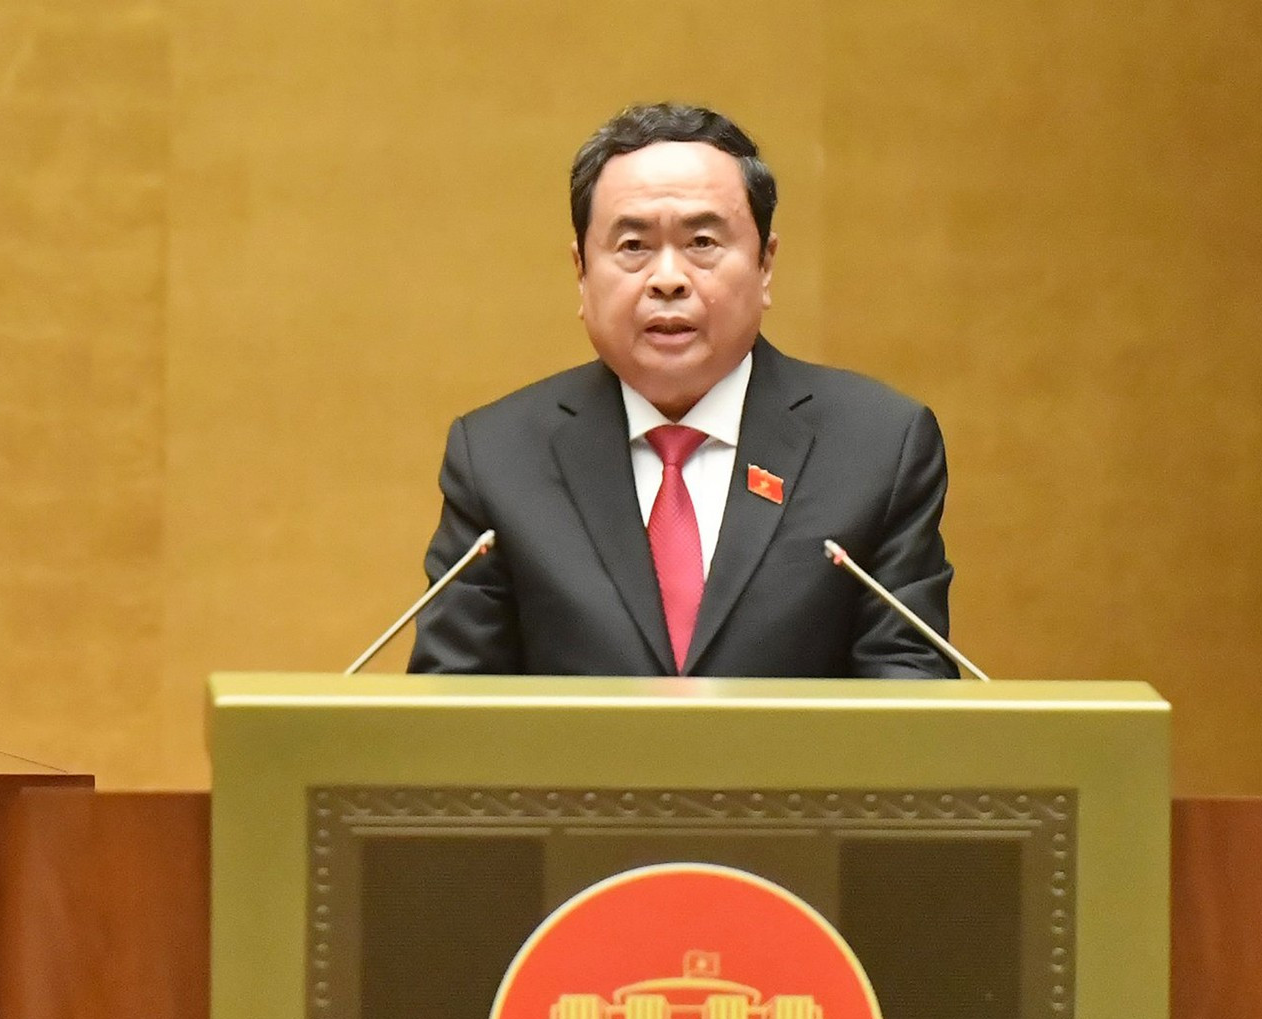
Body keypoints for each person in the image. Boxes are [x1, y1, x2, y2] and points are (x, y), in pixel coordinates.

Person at [409, 102, 956, 678]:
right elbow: (453, 706)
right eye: (633, 246)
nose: (667, 279)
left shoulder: (877, 445)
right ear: (580, 271)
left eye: (701, 241)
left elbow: (906, 689)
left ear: (766, 265)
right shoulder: (498, 456)